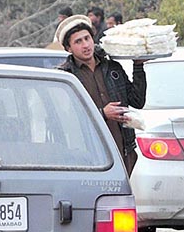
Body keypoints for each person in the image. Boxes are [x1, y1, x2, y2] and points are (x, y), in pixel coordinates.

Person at [55, 14, 146, 175]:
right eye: (78, 41)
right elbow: (66, 119)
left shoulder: (112, 67)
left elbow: (137, 101)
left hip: (122, 151)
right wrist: (102, 113)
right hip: (87, 157)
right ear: (68, 48)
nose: (85, 45)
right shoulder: (66, 76)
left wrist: (138, 66)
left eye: (87, 38)